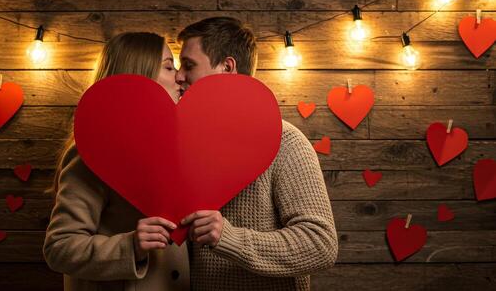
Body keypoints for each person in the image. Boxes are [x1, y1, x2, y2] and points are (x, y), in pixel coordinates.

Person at [175, 17, 338, 290]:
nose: (179, 75)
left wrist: (228, 238)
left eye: (189, 65)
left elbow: (320, 244)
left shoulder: (286, 142)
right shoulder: (189, 144)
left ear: (227, 68)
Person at [43, 32, 189, 291]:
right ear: (140, 76)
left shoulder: (174, 145)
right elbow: (60, 247)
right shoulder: (92, 153)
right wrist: (130, 245)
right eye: (169, 66)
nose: (180, 76)